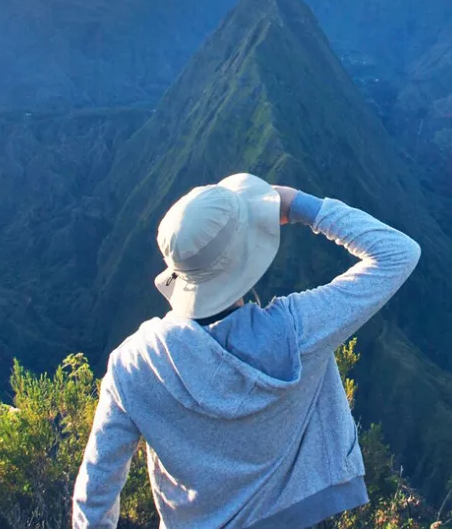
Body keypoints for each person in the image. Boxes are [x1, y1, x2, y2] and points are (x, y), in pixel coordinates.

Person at [72, 173, 421, 529]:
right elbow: (398, 253)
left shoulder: (134, 366)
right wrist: (300, 205)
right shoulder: (297, 332)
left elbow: (96, 493)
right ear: (246, 258)